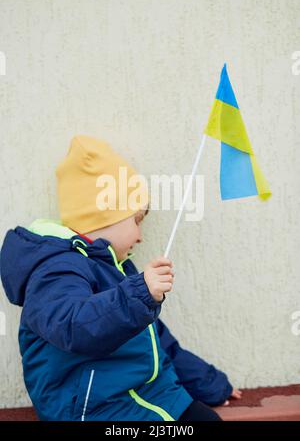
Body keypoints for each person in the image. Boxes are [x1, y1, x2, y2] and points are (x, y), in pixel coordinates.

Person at [0, 135, 241, 421]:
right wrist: (140, 292)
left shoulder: (118, 269)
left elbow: (157, 342)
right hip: (94, 406)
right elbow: (72, 325)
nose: (140, 236)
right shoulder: (56, 269)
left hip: (147, 392)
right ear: (104, 216)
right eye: (137, 221)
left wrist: (211, 384)